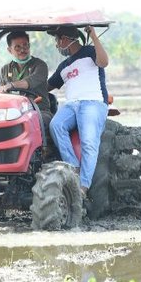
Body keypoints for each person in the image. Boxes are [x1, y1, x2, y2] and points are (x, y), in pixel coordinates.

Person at [47, 25, 109, 199]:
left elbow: (104, 62)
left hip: (93, 102)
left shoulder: (90, 52)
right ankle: (73, 166)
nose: (57, 45)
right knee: (56, 124)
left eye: (57, 41)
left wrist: (94, 35)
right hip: (71, 105)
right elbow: (47, 87)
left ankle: (83, 186)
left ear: (65, 39)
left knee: (89, 142)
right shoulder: (63, 66)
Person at [0, 30, 52, 130]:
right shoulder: (5, 69)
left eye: (25, 45)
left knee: (29, 122)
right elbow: (1, 94)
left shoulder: (40, 65)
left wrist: (11, 85)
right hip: (13, 112)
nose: (22, 50)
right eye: (17, 47)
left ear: (29, 46)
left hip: (39, 110)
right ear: (10, 50)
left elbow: (29, 82)